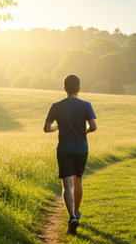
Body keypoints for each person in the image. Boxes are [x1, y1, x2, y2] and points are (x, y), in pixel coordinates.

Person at [44, 74, 97, 234]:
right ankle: (77, 212)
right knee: (78, 180)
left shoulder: (56, 106)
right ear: (79, 89)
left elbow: (46, 128)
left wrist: (58, 127)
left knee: (67, 184)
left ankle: (72, 216)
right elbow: (94, 126)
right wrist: (85, 131)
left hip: (64, 149)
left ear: (64, 89)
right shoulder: (86, 105)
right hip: (81, 149)